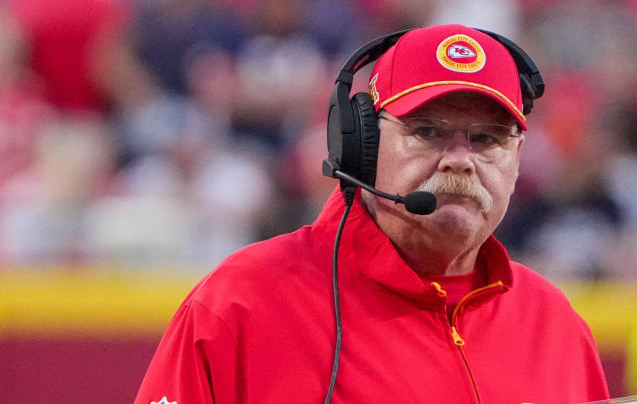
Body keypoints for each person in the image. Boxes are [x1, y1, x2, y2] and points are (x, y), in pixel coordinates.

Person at [135, 24, 610, 404]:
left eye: (487, 139)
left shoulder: (557, 326)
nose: (460, 160)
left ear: (519, 157)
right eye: (427, 131)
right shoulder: (242, 304)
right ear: (362, 143)